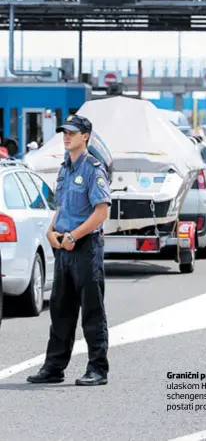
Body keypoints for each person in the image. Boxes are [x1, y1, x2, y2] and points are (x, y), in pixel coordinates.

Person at [27, 114, 112, 386]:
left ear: (85, 136)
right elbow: (62, 207)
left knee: (91, 310)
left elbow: (101, 212)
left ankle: (97, 369)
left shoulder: (92, 169)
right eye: (64, 132)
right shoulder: (65, 168)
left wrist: (74, 235)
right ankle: (54, 368)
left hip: (85, 246)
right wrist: (52, 231)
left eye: (72, 133)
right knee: (60, 310)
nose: (66, 136)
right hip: (63, 246)